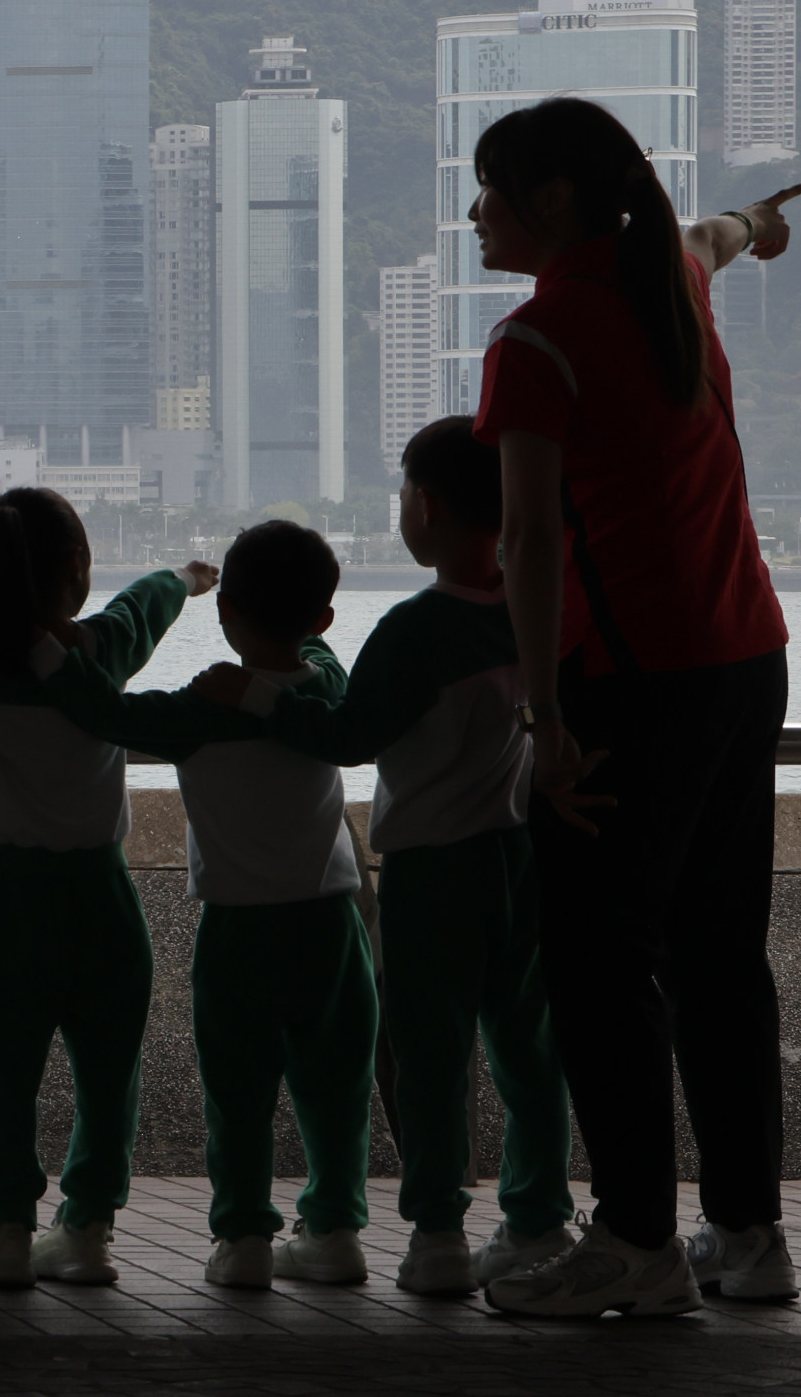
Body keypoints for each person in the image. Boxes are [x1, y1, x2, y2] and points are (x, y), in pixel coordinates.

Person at [467, 104, 801, 1319]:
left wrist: (541, 717)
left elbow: (525, 543)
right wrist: (759, 223)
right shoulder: (665, 272)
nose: (475, 214)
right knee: (720, 956)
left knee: (603, 966)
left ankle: (635, 1240)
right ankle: (747, 1233)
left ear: (555, 200)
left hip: (628, 686)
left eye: (491, 188)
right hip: (742, 658)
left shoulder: (538, 337)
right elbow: (713, 235)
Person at [224, 419, 565, 1298]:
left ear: (426, 507)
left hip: (430, 869)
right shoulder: (536, 601)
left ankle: (438, 1235)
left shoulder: (418, 628)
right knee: (527, 1045)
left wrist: (258, 696)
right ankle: (535, 1218)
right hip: (520, 852)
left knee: (429, 1054)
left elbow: (347, 733)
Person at [55, 521, 377, 1292]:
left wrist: (47, 648)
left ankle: (242, 1239)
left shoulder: (195, 710)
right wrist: (273, 682)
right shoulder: (325, 691)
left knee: (237, 1097)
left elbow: (101, 711)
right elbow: (327, 674)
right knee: (335, 1088)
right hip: (329, 920)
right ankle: (333, 1230)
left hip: (236, 928)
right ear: (323, 618)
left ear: (226, 608)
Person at [0, 487, 212, 1289]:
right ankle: (89, 1227)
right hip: (101, 894)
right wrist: (186, 574)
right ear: (75, 565)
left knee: (1, 1071)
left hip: (7, 900)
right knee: (107, 1071)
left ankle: (5, 1230)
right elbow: (143, 604)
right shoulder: (102, 651)